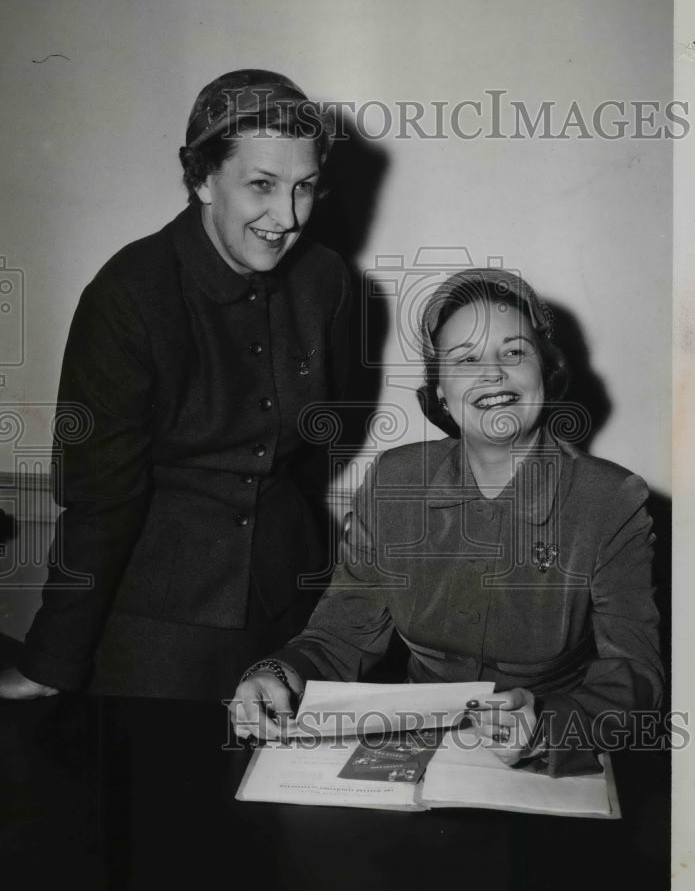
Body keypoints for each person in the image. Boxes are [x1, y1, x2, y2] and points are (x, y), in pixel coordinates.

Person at [0, 68, 350, 702]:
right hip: (157, 631)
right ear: (201, 177)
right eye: (261, 185)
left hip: (294, 614)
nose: (286, 217)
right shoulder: (128, 295)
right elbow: (100, 499)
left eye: (304, 188)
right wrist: (49, 664)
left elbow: (320, 442)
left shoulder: (327, 282)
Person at [230, 268, 664, 776]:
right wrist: (276, 672)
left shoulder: (611, 499)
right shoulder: (394, 479)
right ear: (439, 392)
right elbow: (340, 637)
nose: (493, 374)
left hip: (548, 763)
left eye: (514, 352)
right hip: (416, 750)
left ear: (546, 370)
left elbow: (636, 677)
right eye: (466, 359)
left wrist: (549, 725)